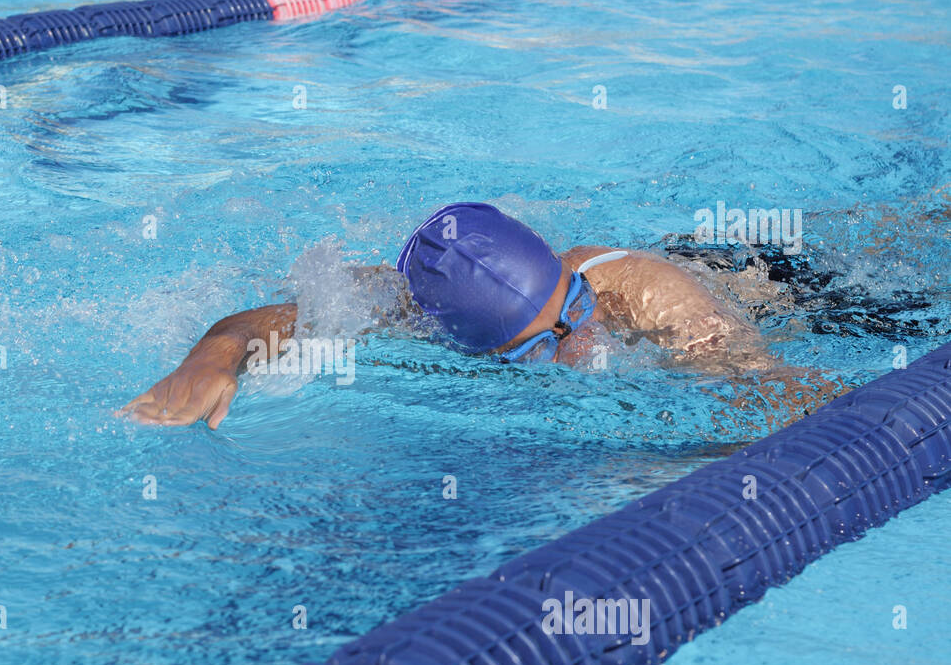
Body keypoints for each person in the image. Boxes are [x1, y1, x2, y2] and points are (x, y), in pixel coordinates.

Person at [121, 202, 843, 430]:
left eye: (575, 312)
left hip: (790, 289)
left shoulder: (658, 301)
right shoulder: (417, 301)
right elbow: (266, 320)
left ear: (574, 284)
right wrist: (211, 360)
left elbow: (783, 392)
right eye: (533, 354)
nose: (578, 345)